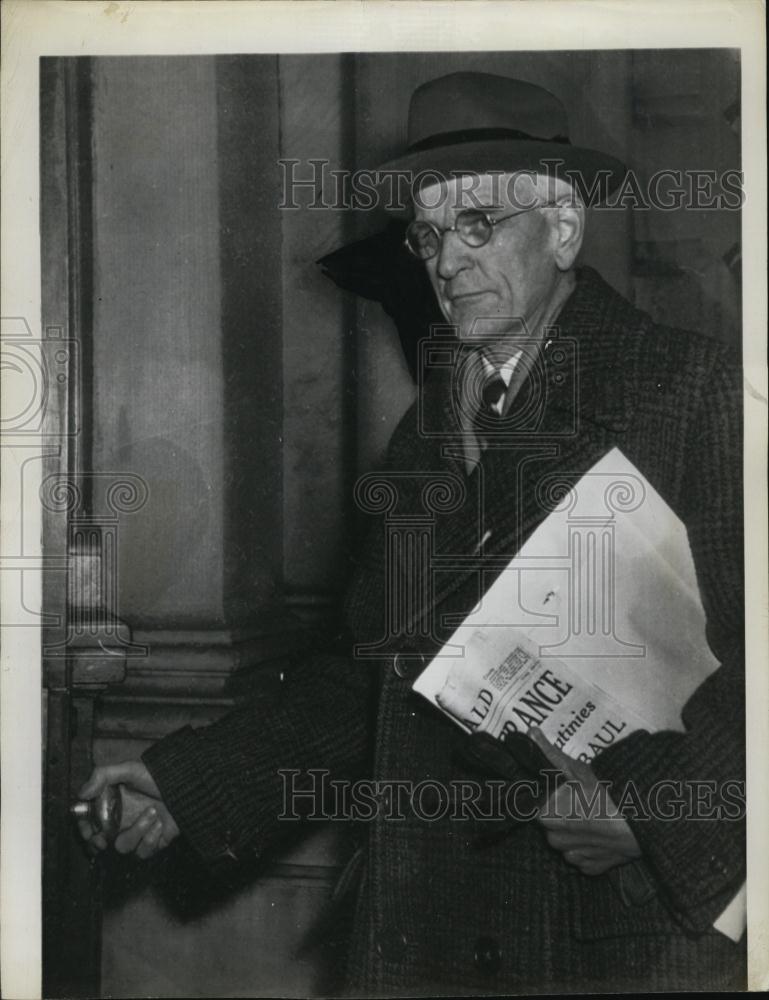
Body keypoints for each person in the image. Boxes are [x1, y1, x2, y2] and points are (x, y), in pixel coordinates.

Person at [78, 72, 745, 993]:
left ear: (561, 227)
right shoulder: (426, 428)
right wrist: (186, 780)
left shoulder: (690, 390)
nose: (445, 261)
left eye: (479, 223)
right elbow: (368, 675)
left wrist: (659, 814)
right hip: (436, 927)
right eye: (428, 235)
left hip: (614, 933)